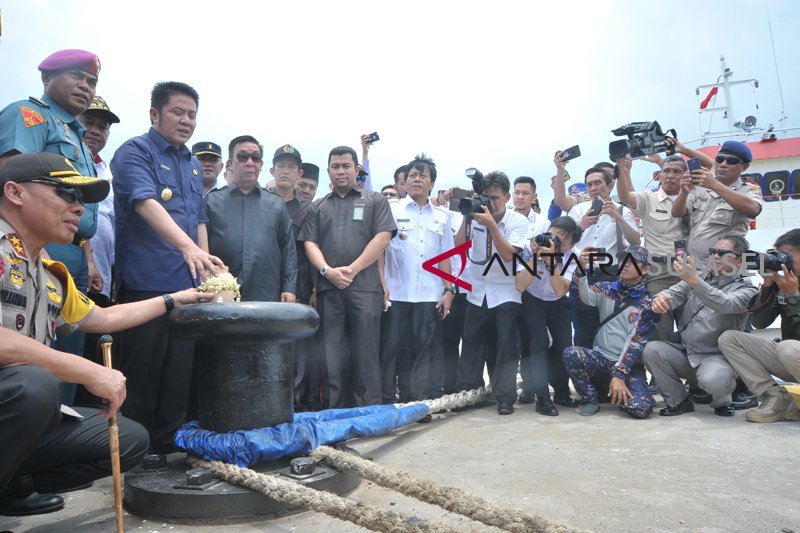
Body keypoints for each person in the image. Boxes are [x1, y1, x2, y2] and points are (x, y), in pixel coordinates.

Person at [0, 152, 211, 516]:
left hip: (16, 409)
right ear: (16, 192)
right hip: (20, 395)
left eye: (82, 200)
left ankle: (11, 483)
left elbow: (105, 318)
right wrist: (89, 371)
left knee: (128, 440)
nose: (79, 208)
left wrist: (178, 298)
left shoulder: (49, 275)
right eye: (67, 194)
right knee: (35, 385)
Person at [110, 81, 224, 452]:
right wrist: (188, 248)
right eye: (177, 112)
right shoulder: (134, 152)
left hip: (188, 286)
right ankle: (138, 453)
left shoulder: (192, 164)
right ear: (154, 114)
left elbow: (199, 218)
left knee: (178, 372)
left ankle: (170, 447)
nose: (186, 120)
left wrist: (207, 268)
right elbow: (145, 203)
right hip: (148, 284)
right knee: (143, 372)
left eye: (192, 114)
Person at [0, 49, 104, 404]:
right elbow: (12, 183)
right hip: (33, 250)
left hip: (70, 252)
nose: (85, 86)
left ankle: (57, 445)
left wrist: (87, 258)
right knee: (32, 360)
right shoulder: (29, 115)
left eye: (91, 81)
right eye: (76, 76)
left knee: (69, 359)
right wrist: (33, 251)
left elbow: (77, 206)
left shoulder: (79, 137)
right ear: (46, 78)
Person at [299, 146, 396, 408]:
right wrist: (326, 272)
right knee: (332, 355)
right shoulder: (318, 206)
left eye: (345, 166)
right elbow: (310, 243)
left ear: (356, 169)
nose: (340, 171)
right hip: (329, 290)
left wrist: (352, 269)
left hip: (365, 289)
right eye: (335, 166)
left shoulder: (375, 200)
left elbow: (383, 236)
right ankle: (335, 413)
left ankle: (367, 412)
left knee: (366, 354)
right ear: (329, 170)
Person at [644, 235, 758, 416]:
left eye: (722, 253)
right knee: (651, 350)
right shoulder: (696, 278)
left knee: (716, 380)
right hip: (687, 353)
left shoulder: (748, 290)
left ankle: (722, 402)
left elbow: (725, 303)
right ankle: (679, 401)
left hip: (716, 358)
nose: (716, 256)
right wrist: (658, 299)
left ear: (739, 260)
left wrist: (693, 280)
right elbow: (673, 293)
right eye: (713, 252)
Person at [614, 141, 711, 340]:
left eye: (676, 171)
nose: (670, 175)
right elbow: (624, 196)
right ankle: (663, 369)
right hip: (658, 274)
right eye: (666, 170)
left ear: (685, 175)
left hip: (688, 270)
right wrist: (620, 166)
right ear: (660, 174)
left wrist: (682, 148)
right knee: (659, 330)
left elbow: (709, 165)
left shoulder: (697, 197)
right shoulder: (647, 199)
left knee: (693, 328)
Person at [380, 154, 454, 408]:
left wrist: (448, 290)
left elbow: (446, 256)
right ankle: (388, 401)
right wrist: (381, 284)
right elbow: (380, 250)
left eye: (423, 176)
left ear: (432, 183)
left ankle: (417, 402)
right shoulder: (390, 209)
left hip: (429, 295)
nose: (417, 179)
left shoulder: (442, 216)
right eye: (412, 175)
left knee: (421, 351)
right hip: (396, 294)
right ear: (405, 181)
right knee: (391, 350)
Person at [454, 171, 529, 415]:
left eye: (495, 198)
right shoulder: (475, 217)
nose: (490, 203)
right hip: (477, 291)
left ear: (507, 197)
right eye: (486, 197)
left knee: (505, 348)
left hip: (506, 292)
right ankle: (468, 394)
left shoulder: (518, 222)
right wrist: (468, 217)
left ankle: (505, 398)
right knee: (472, 346)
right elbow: (457, 247)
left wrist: (491, 225)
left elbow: (509, 255)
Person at [562, 245, 659, 418]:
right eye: (623, 260)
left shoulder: (649, 304)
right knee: (572, 354)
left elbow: (636, 344)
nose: (626, 265)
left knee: (641, 408)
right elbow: (583, 296)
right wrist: (580, 270)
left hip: (629, 367)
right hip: (601, 359)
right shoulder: (606, 288)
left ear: (645, 269)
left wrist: (619, 374)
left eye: (633, 262)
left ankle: (616, 392)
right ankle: (590, 399)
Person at [719, 229, 800, 423]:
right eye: (780, 257)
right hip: (792, 357)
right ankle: (777, 400)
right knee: (730, 339)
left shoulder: (790, 289)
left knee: (787, 347)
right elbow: (759, 322)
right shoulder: (785, 283)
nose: (782, 263)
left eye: (788, 258)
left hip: (792, 352)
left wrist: (794, 297)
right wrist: (767, 285)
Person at [205, 137, 296, 302]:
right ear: (230, 163)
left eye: (255, 158)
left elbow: (288, 250)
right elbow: (201, 250)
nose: (249, 162)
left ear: (260, 164)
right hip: (222, 296)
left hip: (266, 295)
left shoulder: (276, 204)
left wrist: (289, 288)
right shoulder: (211, 202)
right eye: (242, 157)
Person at [516, 216, 582, 415]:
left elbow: (561, 290)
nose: (555, 240)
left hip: (556, 300)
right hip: (532, 298)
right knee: (539, 341)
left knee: (564, 345)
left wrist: (552, 261)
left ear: (571, 244)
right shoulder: (531, 246)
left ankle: (562, 392)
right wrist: (536, 257)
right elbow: (520, 285)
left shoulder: (573, 255)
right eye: (553, 234)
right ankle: (542, 397)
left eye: (562, 239)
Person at [671, 140, 763, 265]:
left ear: (744, 167)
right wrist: (684, 192)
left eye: (731, 161)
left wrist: (714, 184)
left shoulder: (747, 190)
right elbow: (677, 213)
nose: (723, 164)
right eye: (720, 159)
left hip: (723, 267)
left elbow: (753, 209)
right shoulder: (701, 187)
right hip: (694, 264)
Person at [511, 176, 550, 403]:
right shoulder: (504, 220)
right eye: (517, 192)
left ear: (534, 196)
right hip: (506, 288)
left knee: (533, 339)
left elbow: (545, 256)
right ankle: (522, 386)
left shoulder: (543, 223)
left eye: (525, 193)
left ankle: (534, 387)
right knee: (512, 340)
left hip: (533, 290)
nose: (520, 197)